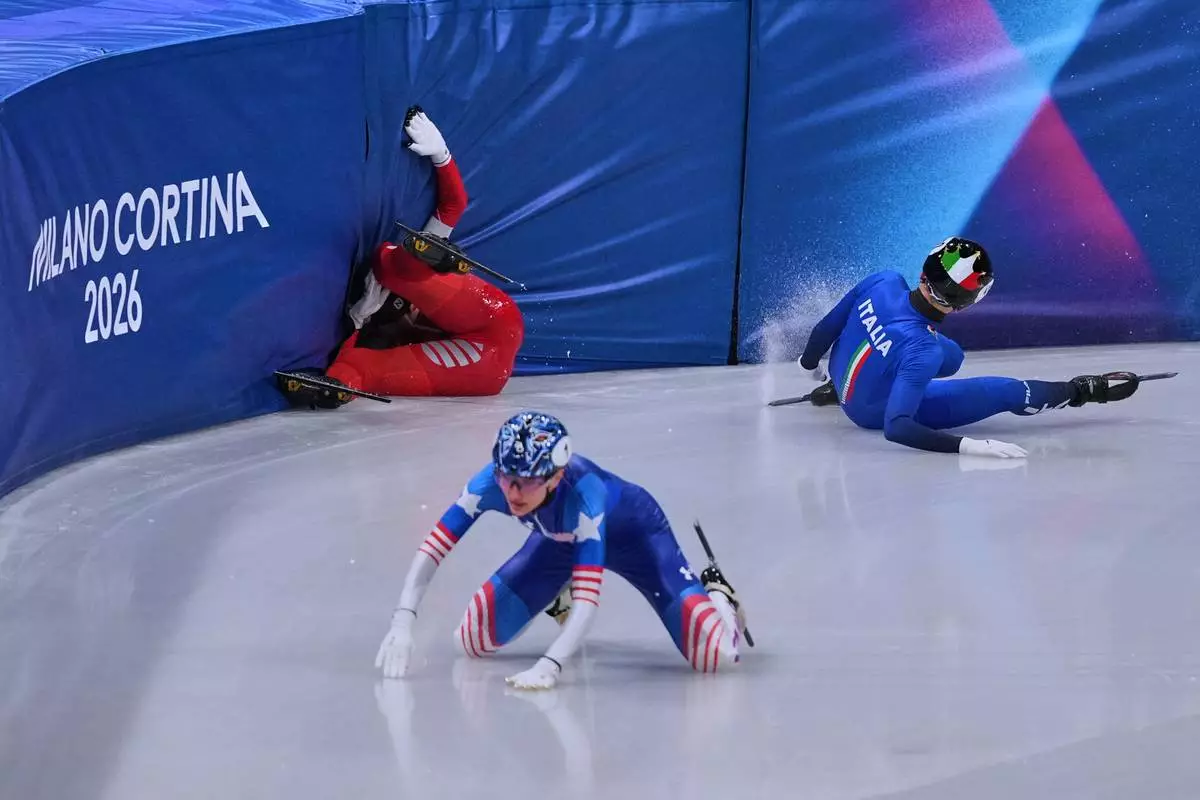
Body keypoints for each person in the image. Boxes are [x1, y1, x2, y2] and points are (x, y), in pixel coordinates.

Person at [374, 411, 750, 690]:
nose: (513, 492)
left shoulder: (586, 499)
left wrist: (549, 665)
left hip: (638, 540)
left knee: (714, 656)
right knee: (471, 639)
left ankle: (719, 598)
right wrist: (402, 623)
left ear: (556, 476)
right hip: (559, 542)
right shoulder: (489, 482)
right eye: (506, 476)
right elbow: (433, 549)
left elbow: (588, 601)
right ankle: (557, 590)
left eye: (527, 481)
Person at [795, 236, 1145, 457]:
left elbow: (825, 328)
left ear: (926, 268)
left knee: (951, 358)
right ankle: (1079, 391)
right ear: (966, 303)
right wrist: (969, 446)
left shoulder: (883, 280)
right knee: (999, 389)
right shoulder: (923, 350)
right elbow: (896, 426)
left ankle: (837, 386)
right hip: (867, 411)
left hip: (843, 379)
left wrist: (810, 366)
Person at [278, 107, 524, 409]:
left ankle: (331, 388)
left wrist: (357, 325)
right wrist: (442, 156)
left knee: (387, 282)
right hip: (491, 333)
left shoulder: (378, 327)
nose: (410, 313)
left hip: (484, 357)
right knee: (393, 276)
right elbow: (454, 205)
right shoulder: (392, 321)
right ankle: (428, 258)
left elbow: (453, 206)